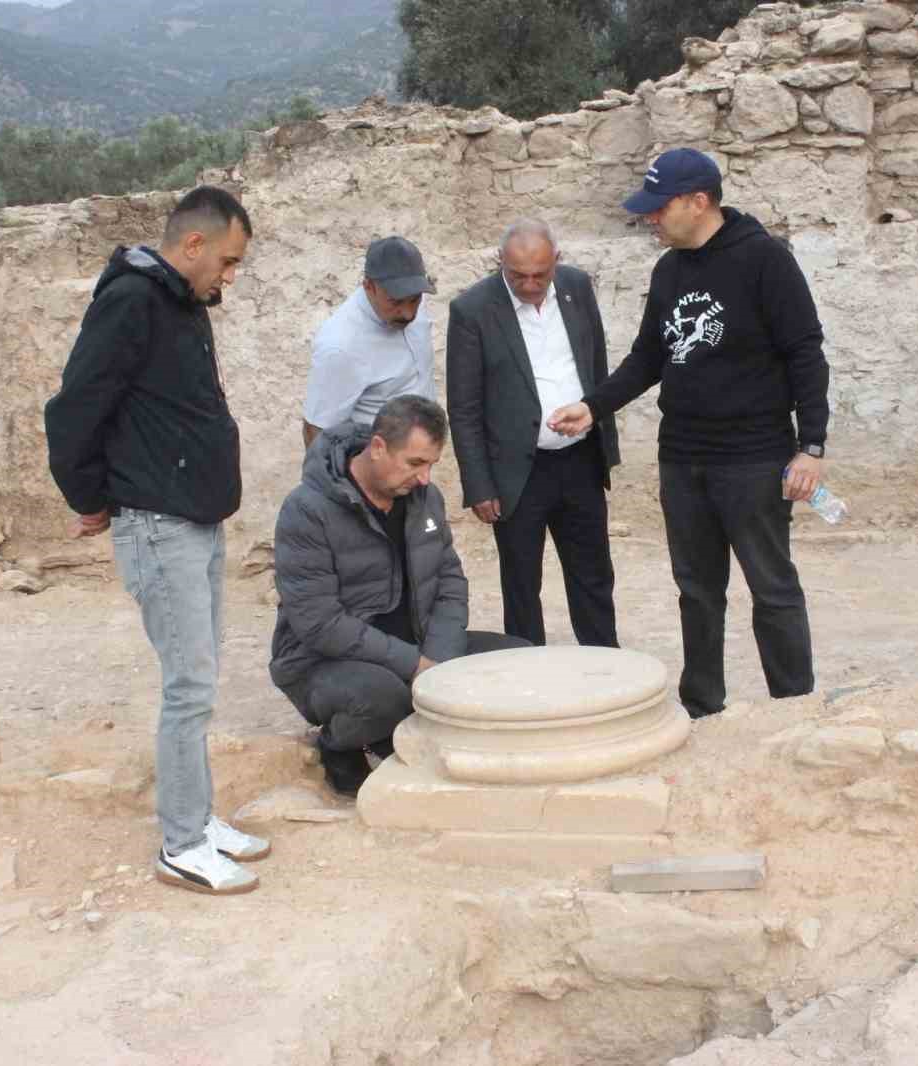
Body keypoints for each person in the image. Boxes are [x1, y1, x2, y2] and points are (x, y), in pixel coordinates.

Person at [548, 148, 830, 720]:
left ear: (699, 202)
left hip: (754, 456)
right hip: (682, 458)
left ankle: (793, 708)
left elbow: (806, 353)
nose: (651, 218)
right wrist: (592, 406)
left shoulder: (765, 260)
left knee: (771, 586)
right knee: (697, 591)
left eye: (660, 207)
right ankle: (703, 705)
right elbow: (648, 358)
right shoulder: (668, 270)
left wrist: (811, 446)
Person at [44, 185, 270, 896]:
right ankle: (181, 843)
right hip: (156, 522)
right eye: (228, 261)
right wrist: (88, 498)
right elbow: (75, 406)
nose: (230, 276)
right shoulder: (132, 302)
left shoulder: (179, 304)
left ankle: (199, 819)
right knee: (188, 685)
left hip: (193, 519)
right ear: (193, 244)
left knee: (200, 682)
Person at [269, 395, 528, 796]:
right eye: (415, 463)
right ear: (377, 448)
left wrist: (439, 662)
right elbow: (319, 624)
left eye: (431, 465)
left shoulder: (425, 500)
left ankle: (403, 734)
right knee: (383, 697)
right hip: (323, 662)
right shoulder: (306, 510)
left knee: (518, 658)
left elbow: (449, 582)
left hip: (417, 645)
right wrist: (415, 665)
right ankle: (339, 744)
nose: (424, 478)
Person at [446, 218, 621, 648]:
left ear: (556, 263)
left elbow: (595, 365)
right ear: (500, 263)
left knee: (594, 575)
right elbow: (464, 406)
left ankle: (606, 667)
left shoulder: (577, 288)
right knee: (522, 583)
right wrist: (479, 483)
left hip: (580, 459)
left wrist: (601, 436)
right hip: (515, 472)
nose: (528, 285)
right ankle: (528, 675)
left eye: (540, 275)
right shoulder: (472, 309)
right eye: (517, 275)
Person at [300, 236, 437, 450]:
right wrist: (333, 483)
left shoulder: (409, 295)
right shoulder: (340, 345)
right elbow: (317, 431)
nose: (409, 313)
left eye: (415, 299)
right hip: (375, 473)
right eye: (396, 301)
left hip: (418, 459)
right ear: (368, 286)